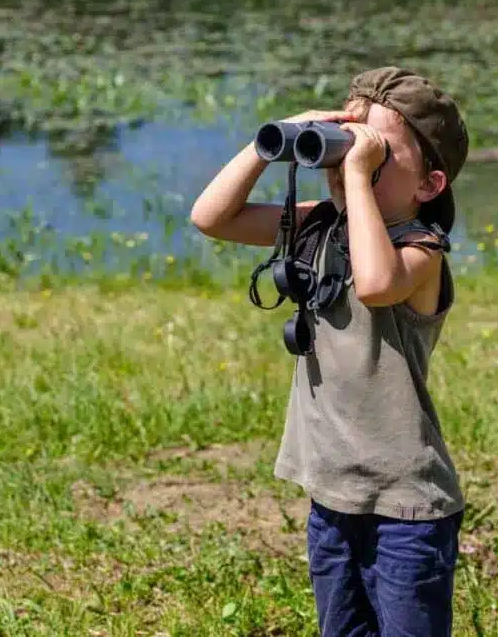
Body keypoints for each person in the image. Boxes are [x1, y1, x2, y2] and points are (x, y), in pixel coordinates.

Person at [189, 66, 470, 637]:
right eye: (345, 142)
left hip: (407, 508)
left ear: (429, 186)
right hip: (332, 493)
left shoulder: (421, 250)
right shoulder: (322, 227)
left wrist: (358, 182)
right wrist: (271, 143)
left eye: (377, 152)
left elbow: (374, 282)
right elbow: (211, 218)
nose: (350, 162)